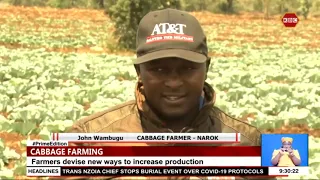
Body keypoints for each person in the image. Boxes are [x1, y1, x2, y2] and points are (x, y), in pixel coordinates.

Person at [67, 8, 267, 180]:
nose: (173, 82)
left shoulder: (249, 141)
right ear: (139, 72)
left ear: (206, 68)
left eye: (188, 69)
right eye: (159, 70)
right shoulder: (88, 139)